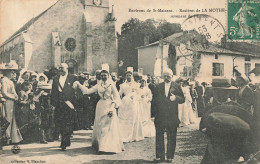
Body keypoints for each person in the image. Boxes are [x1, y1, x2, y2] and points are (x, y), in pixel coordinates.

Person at [73, 70, 124, 153]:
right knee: (100, 125)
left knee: (108, 126)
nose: (103, 77)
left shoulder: (112, 85)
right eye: (102, 75)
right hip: (100, 106)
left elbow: (117, 98)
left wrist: (112, 108)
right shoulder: (99, 84)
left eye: (105, 75)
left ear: (108, 76)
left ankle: (106, 146)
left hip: (109, 105)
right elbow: (87, 91)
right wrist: (78, 84)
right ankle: (101, 144)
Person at [153, 69, 185, 163]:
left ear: (172, 76)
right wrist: (153, 115)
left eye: (168, 76)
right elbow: (154, 101)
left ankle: (170, 156)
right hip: (160, 115)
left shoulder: (177, 86)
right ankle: (159, 156)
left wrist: (175, 98)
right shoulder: (158, 86)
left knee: (171, 136)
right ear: (163, 76)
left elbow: (183, 99)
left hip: (172, 116)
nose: (166, 78)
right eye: (165, 76)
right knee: (159, 135)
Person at [50, 63, 76, 151]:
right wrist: (53, 103)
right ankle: (65, 140)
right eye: (59, 68)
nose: (60, 69)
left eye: (62, 68)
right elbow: (53, 92)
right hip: (59, 104)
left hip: (69, 104)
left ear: (67, 68)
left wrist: (74, 103)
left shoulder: (73, 78)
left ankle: (64, 142)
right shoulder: (55, 79)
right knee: (60, 122)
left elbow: (76, 92)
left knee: (67, 123)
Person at [118, 71, 144, 142]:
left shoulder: (136, 84)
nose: (128, 76)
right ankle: (125, 134)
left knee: (134, 117)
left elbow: (139, 93)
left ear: (132, 76)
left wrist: (135, 97)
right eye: (127, 75)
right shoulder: (122, 85)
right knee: (126, 118)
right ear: (125, 76)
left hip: (134, 102)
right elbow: (119, 94)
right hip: (125, 103)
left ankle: (134, 135)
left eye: (130, 75)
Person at [1, 63, 23, 145]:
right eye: (11, 72)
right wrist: (13, 97)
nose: (13, 74)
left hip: (12, 102)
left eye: (13, 72)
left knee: (12, 119)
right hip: (7, 101)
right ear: (7, 72)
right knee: (7, 119)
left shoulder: (10, 81)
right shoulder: (4, 80)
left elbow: (13, 92)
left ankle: (11, 138)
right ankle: (6, 138)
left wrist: (16, 96)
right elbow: (4, 93)